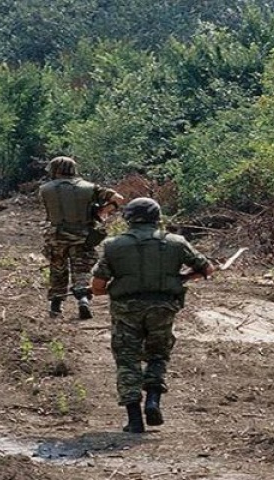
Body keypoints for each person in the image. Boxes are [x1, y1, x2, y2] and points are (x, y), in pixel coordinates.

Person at [90, 197, 215, 433]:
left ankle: (134, 419)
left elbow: (97, 286)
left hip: (126, 310)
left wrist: (113, 289)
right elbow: (206, 269)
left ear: (128, 218)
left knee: (127, 360)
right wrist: (182, 278)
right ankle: (153, 400)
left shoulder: (113, 245)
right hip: (163, 307)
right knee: (158, 354)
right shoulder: (176, 242)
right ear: (158, 218)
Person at [39, 156, 124, 319]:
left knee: (58, 270)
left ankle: (55, 306)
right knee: (82, 270)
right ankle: (83, 300)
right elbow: (118, 199)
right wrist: (102, 211)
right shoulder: (90, 188)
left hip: (56, 237)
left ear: (55, 170)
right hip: (83, 236)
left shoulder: (45, 189)